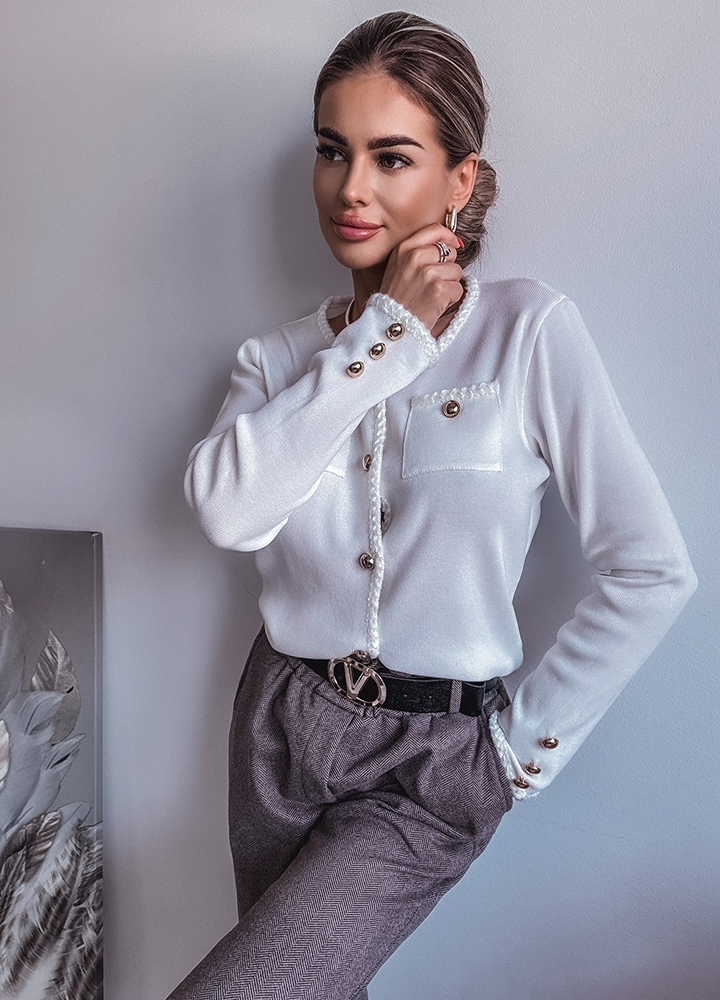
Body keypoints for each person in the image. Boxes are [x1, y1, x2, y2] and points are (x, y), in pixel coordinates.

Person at [167, 11, 697, 1000]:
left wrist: (515, 755)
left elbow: (652, 569)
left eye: (392, 156)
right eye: (332, 150)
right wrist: (384, 340)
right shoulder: (277, 360)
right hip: (280, 727)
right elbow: (231, 514)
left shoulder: (528, 332)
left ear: (460, 179)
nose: (350, 187)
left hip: (431, 763)